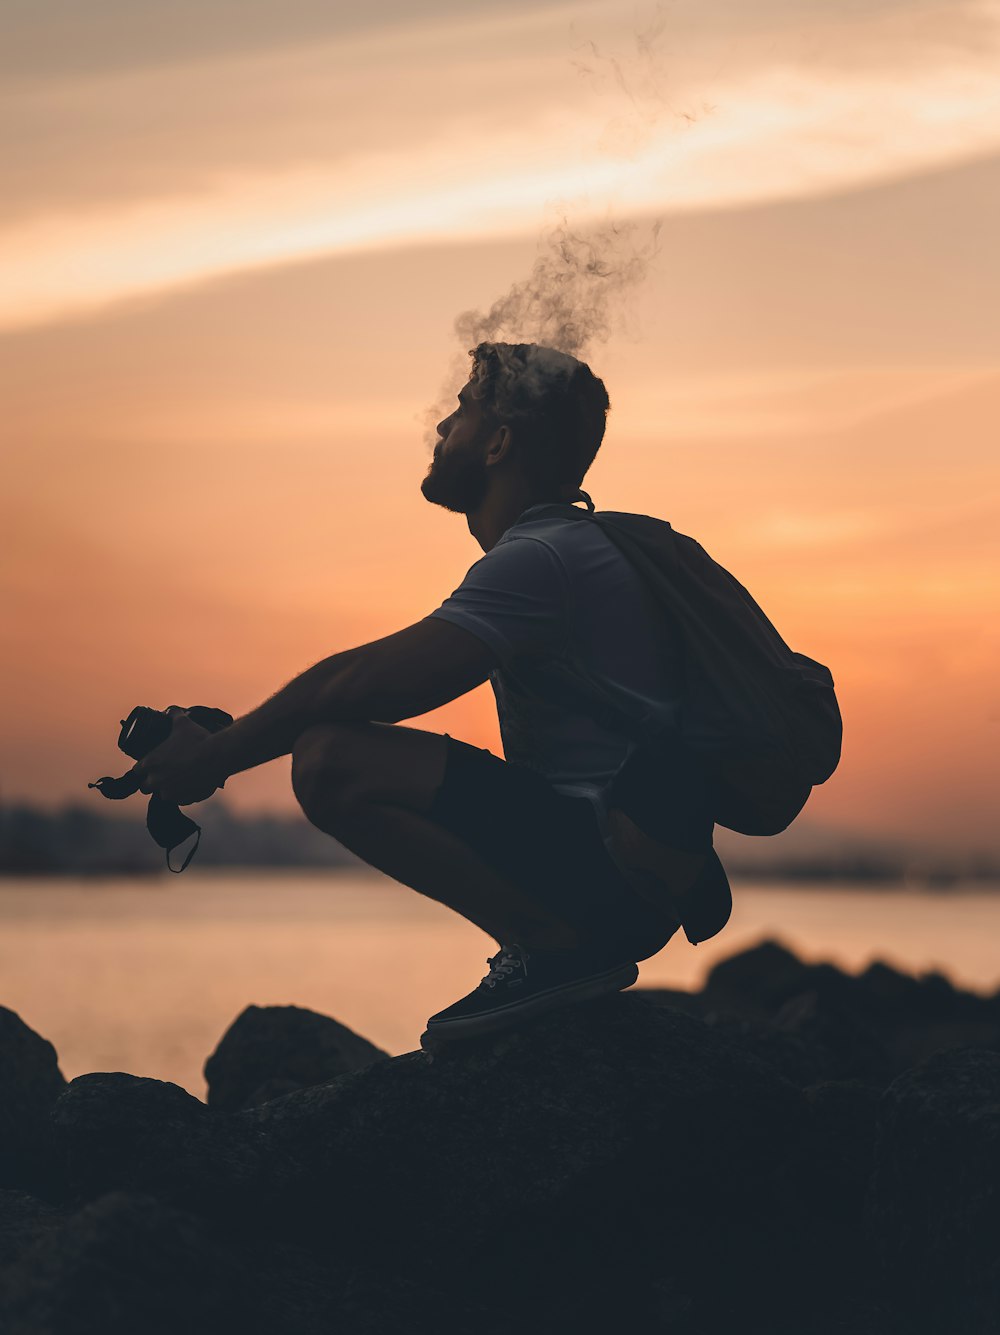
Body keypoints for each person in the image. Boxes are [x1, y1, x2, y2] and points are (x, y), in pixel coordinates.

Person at [134, 342, 730, 1040]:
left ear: (499, 443)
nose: (440, 429)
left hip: (607, 865)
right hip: (624, 863)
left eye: (463, 410)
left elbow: (368, 684)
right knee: (329, 739)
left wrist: (218, 755)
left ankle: (551, 947)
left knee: (330, 757)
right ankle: (549, 945)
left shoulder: (543, 557)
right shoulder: (568, 548)